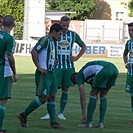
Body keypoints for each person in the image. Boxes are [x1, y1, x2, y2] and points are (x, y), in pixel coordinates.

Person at [17, 23, 63, 129]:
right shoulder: (45, 40)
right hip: (44, 73)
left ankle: (53, 122)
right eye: (59, 34)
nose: (60, 36)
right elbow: (34, 51)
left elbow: (47, 56)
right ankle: (23, 115)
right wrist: (39, 67)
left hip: (51, 73)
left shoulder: (53, 42)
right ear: (54, 32)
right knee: (43, 98)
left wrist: (53, 62)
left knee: (52, 96)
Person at [40, 16, 86, 120]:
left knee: (66, 89)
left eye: (67, 25)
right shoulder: (56, 35)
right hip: (56, 67)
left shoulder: (73, 35)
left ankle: (61, 113)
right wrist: (51, 59)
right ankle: (50, 112)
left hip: (68, 67)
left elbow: (84, 46)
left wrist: (77, 57)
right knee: (53, 90)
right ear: (59, 24)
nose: (65, 28)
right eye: (63, 25)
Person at [71, 60, 118, 128]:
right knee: (103, 94)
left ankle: (88, 122)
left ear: (75, 79)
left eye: (76, 83)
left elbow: (82, 96)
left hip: (103, 70)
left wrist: (83, 114)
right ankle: (101, 123)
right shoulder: (89, 76)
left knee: (92, 93)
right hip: (114, 69)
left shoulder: (79, 76)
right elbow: (95, 94)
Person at [0, 15, 18, 133]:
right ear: (13, 26)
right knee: (3, 100)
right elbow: (10, 56)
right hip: (3, 70)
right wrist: (15, 73)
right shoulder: (9, 38)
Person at [123, 22, 133, 125]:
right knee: (132, 96)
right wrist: (126, 63)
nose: (131, 32)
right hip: (130, 74)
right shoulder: (129, 43)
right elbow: (125, 54)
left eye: (132, 30)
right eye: (129, 30)